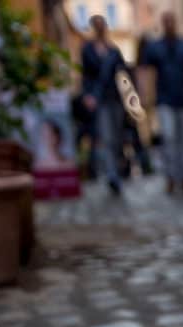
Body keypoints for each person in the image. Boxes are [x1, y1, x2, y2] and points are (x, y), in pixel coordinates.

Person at [141, 12, 183, 195]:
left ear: (176, 23)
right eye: (166, 22)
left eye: (172, 21)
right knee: (169, 137)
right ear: (162, 24)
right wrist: (144, 95)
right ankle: (171, 177)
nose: (169, 24)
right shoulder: (155, 47)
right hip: (164, 100)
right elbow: (145, 71)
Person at [81, 15, 129, 196]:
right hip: (99, 99)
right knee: (107, 137)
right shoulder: (87, 50)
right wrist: (88, 95)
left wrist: (130, 99)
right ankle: (112, 176)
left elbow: (124, 76)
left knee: (116, 137)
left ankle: (116, 169)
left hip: (115, 98)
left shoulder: (114, 51)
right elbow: (85, 75)